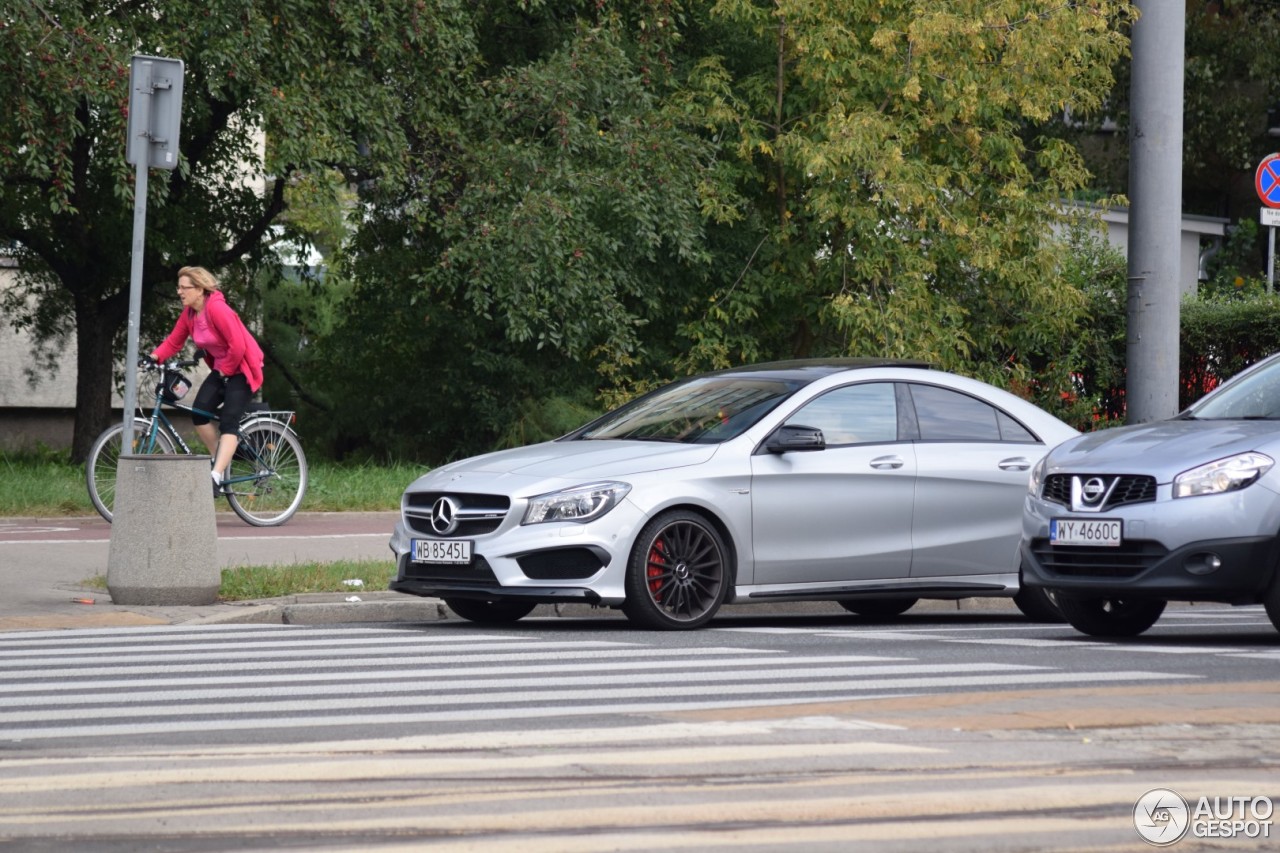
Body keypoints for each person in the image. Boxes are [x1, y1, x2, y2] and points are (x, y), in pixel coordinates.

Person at [148, 266, 265, 495]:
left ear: (200, 289)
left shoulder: (218, 309)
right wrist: (154, 357)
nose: (180, 292)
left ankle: (216, 475)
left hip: (242, 368)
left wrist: (225, 372)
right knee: (200, 413)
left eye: (184, 287)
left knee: (229, 423)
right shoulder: (190, 314)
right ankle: (220, 462)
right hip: (223, 369)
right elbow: (174, 341)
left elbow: (238, 345)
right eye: (178, 287)